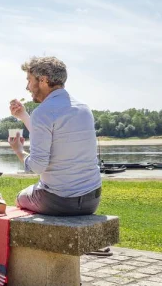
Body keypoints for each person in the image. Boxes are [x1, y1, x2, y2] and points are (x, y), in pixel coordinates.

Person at [8, 56, 102, 216]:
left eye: (29, 80)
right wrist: (24, 116)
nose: (27, 87)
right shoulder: (83, 108)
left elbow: (37, 166)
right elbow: (54, 135)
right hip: (92, 199)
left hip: (59, 200)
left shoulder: (43, 112)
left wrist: (19, 150)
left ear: (43, 80)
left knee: (20, 198)